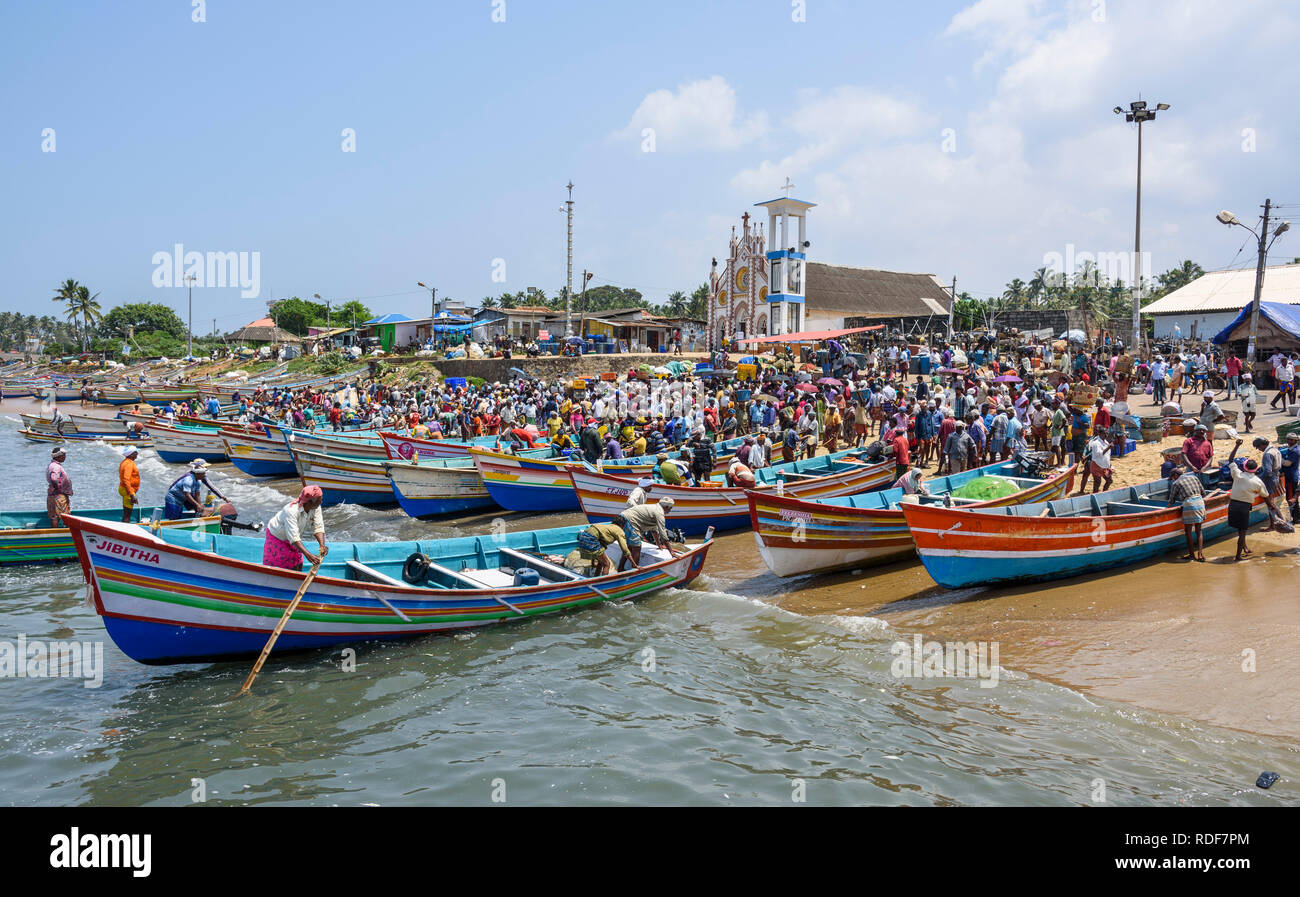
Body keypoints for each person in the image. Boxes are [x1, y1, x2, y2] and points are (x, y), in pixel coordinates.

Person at [1226, 448, 1277, 560]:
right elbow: (1265, 496)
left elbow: (1230, 460)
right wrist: (1271, 505)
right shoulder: (1257, 481)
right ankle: (1238, 557)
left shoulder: (1237, 474)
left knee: (1240, 530)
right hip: (1244, 507)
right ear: (1255, 469)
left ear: (1244, 467)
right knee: (1243, 532)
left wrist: (1236, 446)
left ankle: (1245, 548)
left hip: (1233, 505)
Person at [264, 485, 330, 569]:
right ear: (310, 502)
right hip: (278, 536)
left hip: (293, 538)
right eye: (320, 499)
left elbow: (318, 526)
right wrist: (308, 555)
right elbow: (294, 538)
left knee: (298, 563)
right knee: (280, 566)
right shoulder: (291, 511)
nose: (321, 501)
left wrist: (322, 545)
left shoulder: (316, 507)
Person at [617, 498, 682, 565]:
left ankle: (621, 568)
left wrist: (659, 544)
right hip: (629, 521)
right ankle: (634, 570)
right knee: (637, 547)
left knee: (630, 547)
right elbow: (663, 534)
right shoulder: (659, 513)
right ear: (667, 507)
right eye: (670, 508)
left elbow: (654, 530)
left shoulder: (655, 508)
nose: (670, 510)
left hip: (622, 517)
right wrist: (671, 552)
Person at [46, 446, 73, 527]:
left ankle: (54, 533)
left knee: (54, 515)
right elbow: (54, 478)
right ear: (58, 456)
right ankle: (66, 532)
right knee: (64, 515)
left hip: (53, 494)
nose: (65, 457)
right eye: (63, 455)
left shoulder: (52, 465)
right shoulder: (56, 466)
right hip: (59, 495)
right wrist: (58, 488)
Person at [118, 445, 141, 523]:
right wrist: (132, 495)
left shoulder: (125, 461)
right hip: (128, 490)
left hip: (124, 488)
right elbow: (126, 479)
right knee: (127, 514)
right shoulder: (129, 464)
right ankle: (125, 530)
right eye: (136, 452)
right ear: (131, 454)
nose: (137, 454)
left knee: (126, 512)